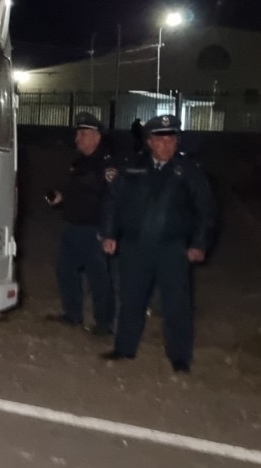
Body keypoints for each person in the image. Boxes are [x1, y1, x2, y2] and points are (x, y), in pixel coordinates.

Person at [98, 113, 217, 373]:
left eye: (172, 140)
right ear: (150, 142)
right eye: (161, 140)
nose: (167, 145)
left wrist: (199, 244)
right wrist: (108, 234)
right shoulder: (132, 168)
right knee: (131, 299)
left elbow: (205, 210)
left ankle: (180, 357)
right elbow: (112, 202)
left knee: (177, 304)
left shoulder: (188, 171)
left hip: (172, 248)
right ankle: (124, 348)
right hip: (135, 246)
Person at [45, 111, 118, 334]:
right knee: (65, 270)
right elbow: (77, 191)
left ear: (97, 136)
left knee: (98, 278)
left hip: (94, 229)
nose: (78, 139)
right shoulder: (79, 162)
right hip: (74, 226)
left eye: (83, 134)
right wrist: (60, 196)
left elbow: (113, 200)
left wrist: (108, 232)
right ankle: (72, 314)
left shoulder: (107, 166)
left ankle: (104, 323)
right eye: (77, 134)